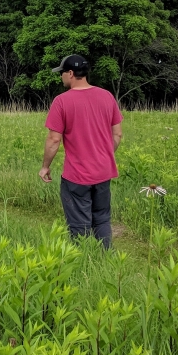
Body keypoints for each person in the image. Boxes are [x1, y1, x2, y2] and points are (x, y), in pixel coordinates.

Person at [39, 54, 122, 248]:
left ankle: (82, 263)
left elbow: (53, 139)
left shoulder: (61, 101)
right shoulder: (106, 96)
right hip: (103, 172)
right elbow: (117, 134)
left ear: (70, 73)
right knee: (102, 219)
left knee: (79, 224)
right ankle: (105, 260)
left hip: (76, 175)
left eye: (62, 73)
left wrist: (45, 167)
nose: (61, 77)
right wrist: (103, 154)